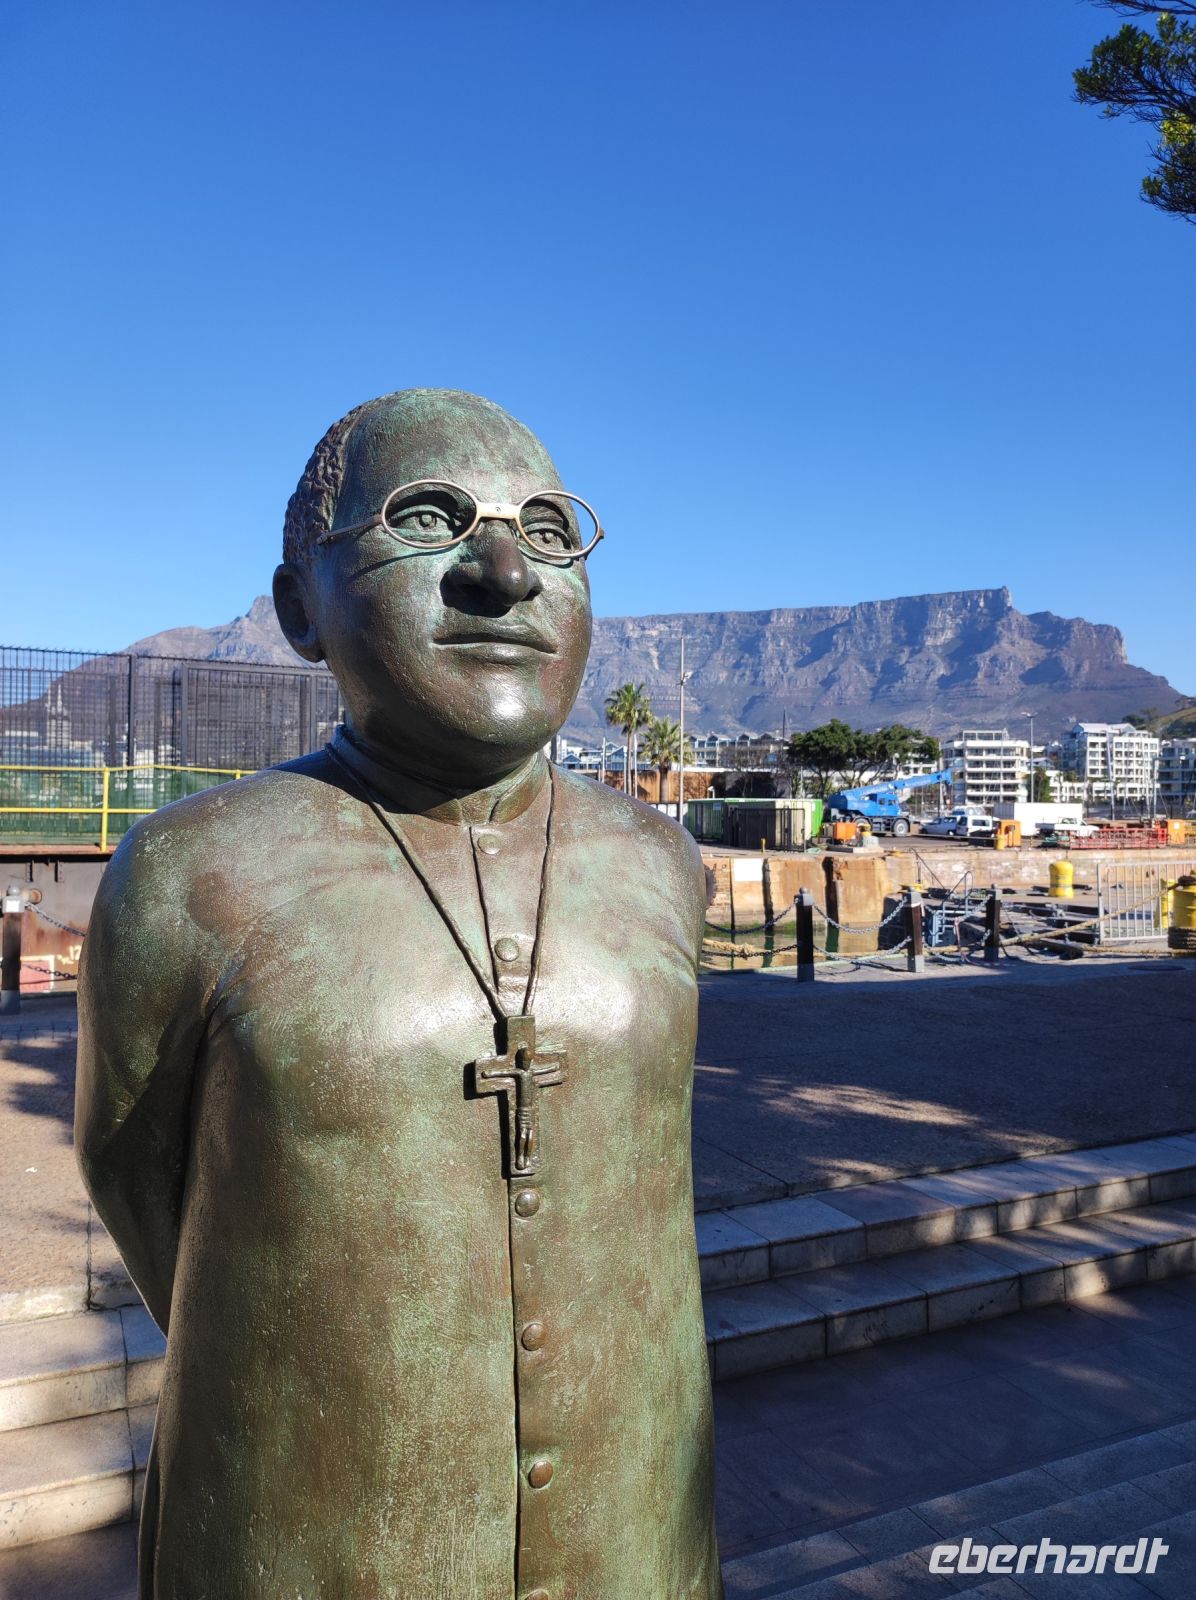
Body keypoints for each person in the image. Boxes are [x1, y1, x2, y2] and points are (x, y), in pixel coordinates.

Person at [76, 388, 722, 1599]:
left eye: (545, 530)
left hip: (633, 1537)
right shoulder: (187, 873)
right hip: (314, 1528)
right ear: (295, 610)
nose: (502, 570)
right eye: (427, 519)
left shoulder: (659, 864)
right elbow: (142, 1182)